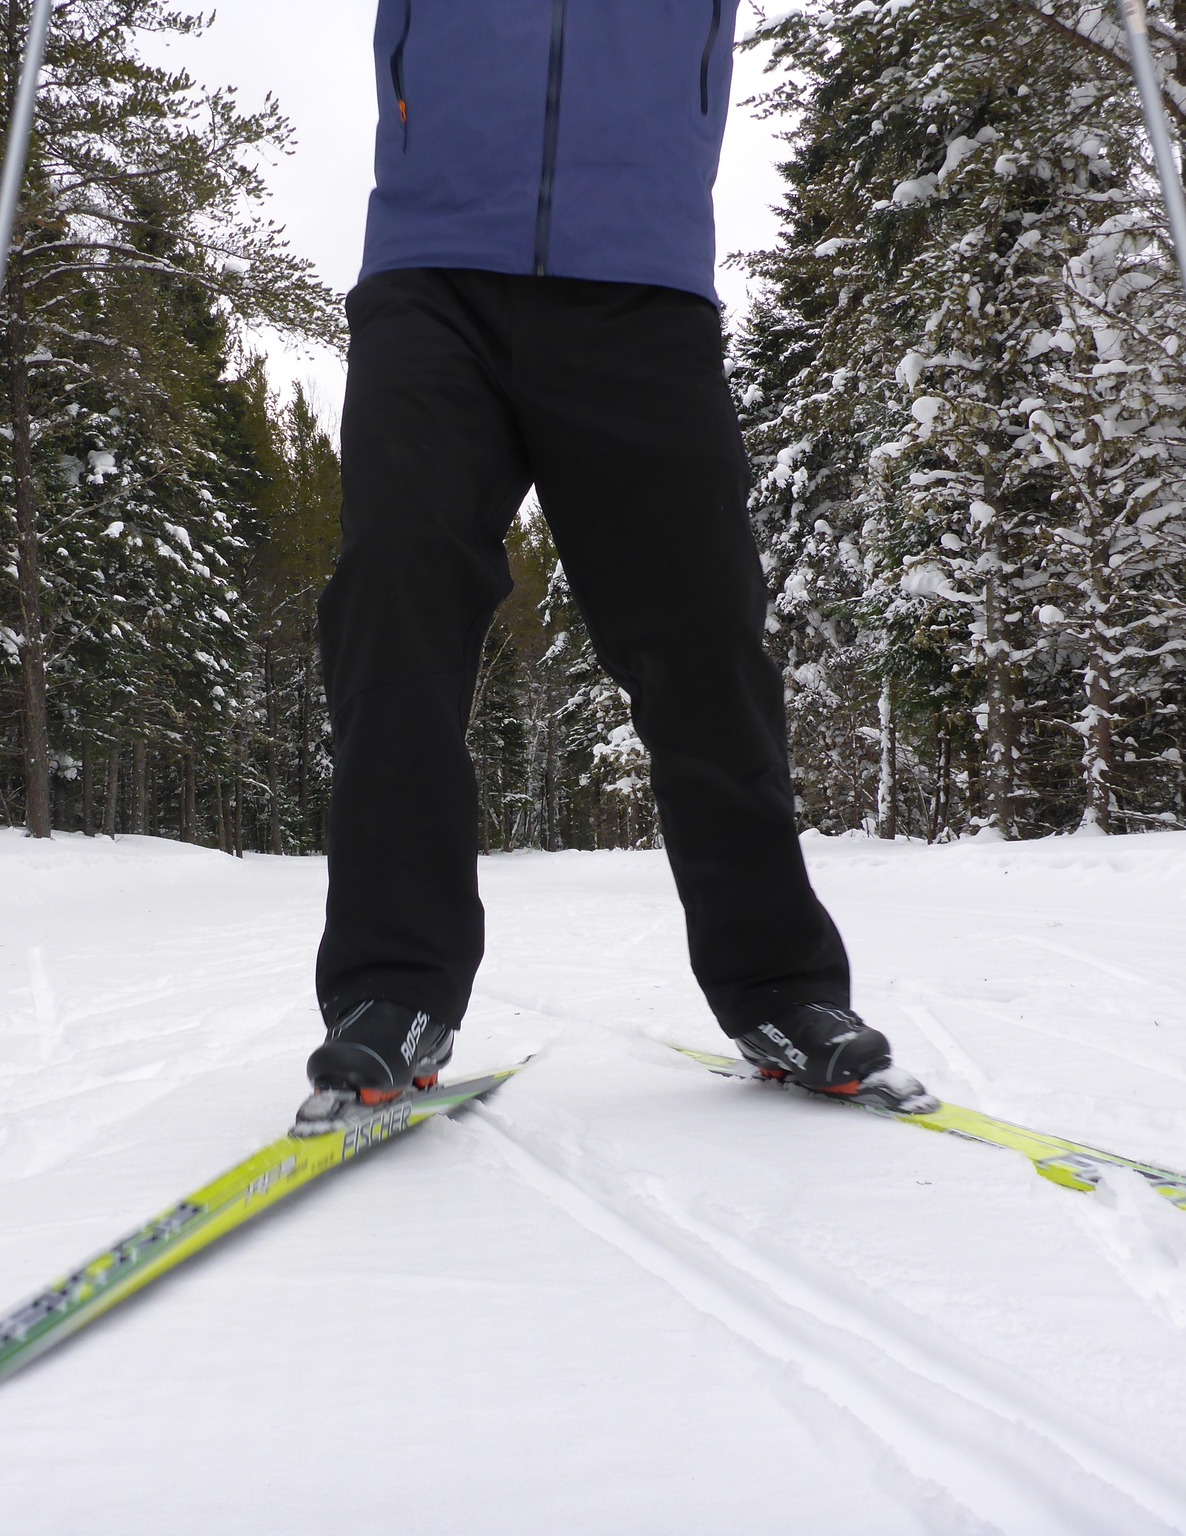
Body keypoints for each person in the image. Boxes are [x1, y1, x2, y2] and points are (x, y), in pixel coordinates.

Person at [303, 0, 934, 1115]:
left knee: (701, 633)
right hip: (430, 272)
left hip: (640, 281)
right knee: (395, 593)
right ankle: (390, 991)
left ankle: (779, 985)